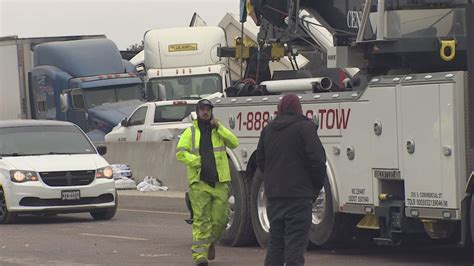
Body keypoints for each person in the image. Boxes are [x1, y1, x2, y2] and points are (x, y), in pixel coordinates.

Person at [256, 93, 327, 266]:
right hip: (299, 197)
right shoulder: (305, 128)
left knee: (276, 243)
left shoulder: (268, 129)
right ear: (298, 108)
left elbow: (260, 160)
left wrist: (272, 182)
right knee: (295, 246)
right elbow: (318, 160)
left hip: (275, 197)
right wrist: (314, 188)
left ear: (280, 108)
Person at [176, 99, 239, 266]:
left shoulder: (218, 130)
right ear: (197, 112)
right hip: (199, 182)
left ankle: (210, 242)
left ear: (211, 112)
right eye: (202, 109)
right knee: (202, 219)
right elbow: (180, 153)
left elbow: (234, 142)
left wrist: (220, 128)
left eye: (208, 109)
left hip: (220, 181)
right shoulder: (190, 132)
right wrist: (196, 161)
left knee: (221, 220)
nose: (205, 112)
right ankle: (199, 256)